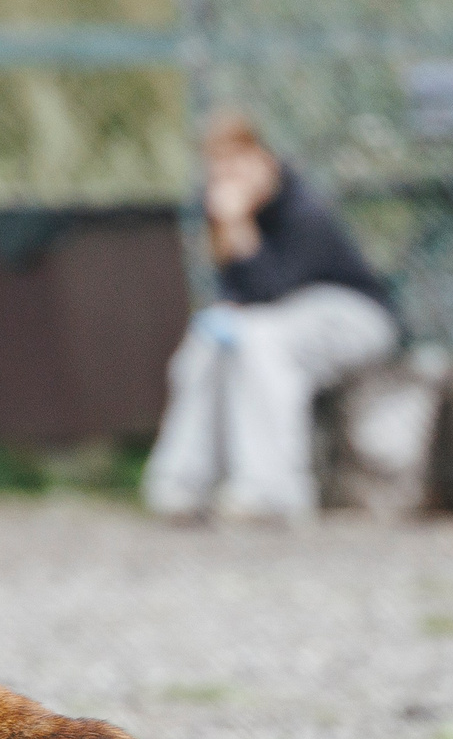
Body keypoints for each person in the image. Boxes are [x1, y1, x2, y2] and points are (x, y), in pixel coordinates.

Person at [142, 111, 401, 523]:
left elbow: (272, 291)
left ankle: (272, 490)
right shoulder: (234, 218)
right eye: (218, 170)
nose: (228, 180)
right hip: (280, 323)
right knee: (208, 341)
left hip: (351, 316)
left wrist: (238, 224)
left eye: (236, 165)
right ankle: (181, 485)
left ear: (263, 159)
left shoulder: (304, 211)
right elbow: (239, 297)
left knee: (258, 340)